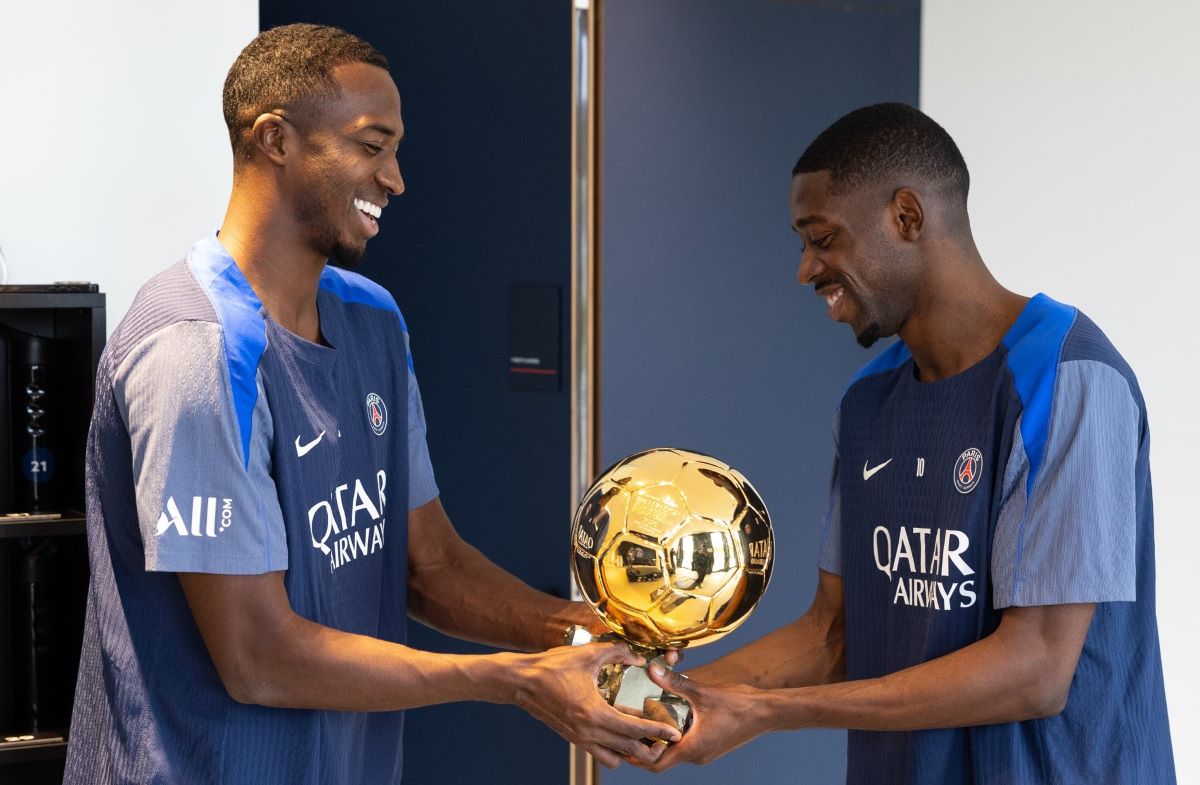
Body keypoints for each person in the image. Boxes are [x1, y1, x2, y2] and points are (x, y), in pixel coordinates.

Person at [64, 23, 679, 785]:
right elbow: (256, 657)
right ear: (275, 139)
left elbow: (429, 565)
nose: (395, 178)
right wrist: (514, 679)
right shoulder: (192, 350)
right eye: (371, 144)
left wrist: (577, 629)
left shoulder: (373, 318)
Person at [639, 103, 1176, 783]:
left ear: (908, 218)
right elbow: (833, 632)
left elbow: (1036, 669)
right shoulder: (868, 399)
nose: (806, 269)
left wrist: (770, 712)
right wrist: (668, 694)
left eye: (823, 238)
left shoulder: (1068, 378)